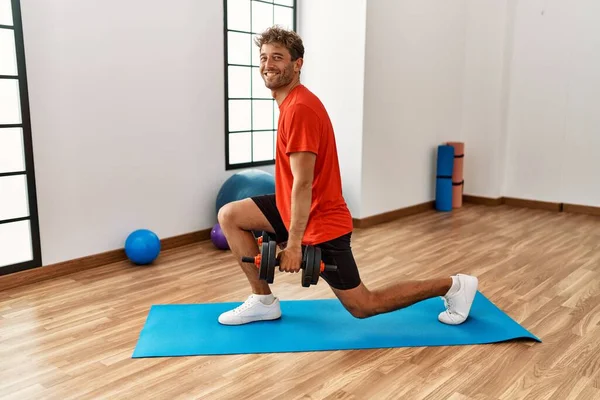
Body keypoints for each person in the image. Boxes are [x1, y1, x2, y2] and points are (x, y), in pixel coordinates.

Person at [217, 26, 478, 326]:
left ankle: (454, 285)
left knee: (364, 305)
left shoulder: (300, 109)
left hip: (322, 222)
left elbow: (303, 183)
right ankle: (263, 301)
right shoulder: (290, 103)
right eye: (263, 58)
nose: (267, 65)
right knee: (231, 215)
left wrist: (293, 245)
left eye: (277, 57)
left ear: (297, 64)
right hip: (295, 210)